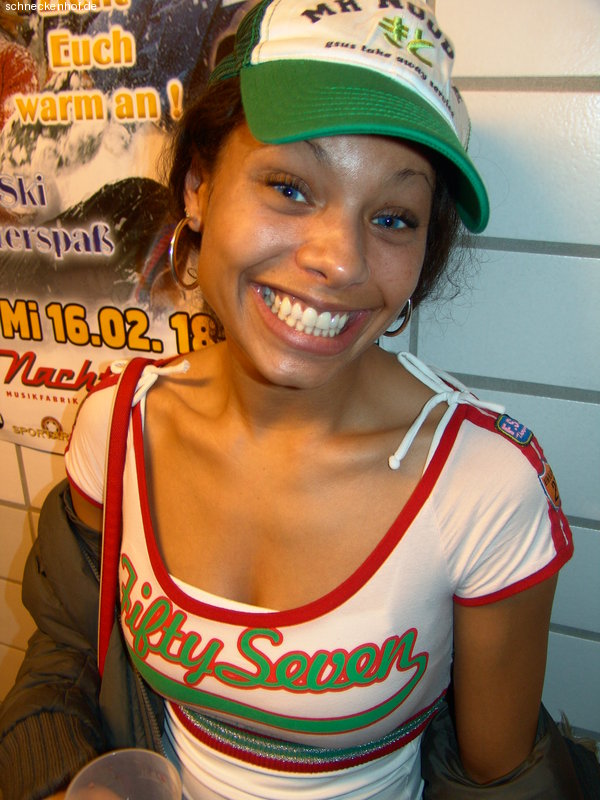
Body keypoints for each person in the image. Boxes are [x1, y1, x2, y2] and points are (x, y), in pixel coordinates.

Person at [0, 1, 590, 798]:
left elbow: (501, 777)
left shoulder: (483, 485)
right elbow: (67, 654)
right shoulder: (118, 423)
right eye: (289, 187)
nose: (341, 260)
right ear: (199, 187)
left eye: (393, 217)